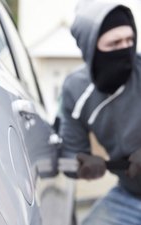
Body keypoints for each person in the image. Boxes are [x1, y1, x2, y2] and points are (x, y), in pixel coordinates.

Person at [59, 1, 141, 224]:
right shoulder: (76, 91)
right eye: (115, 43)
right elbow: (69, 154)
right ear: (91, 46)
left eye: (129, 40)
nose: (125, 49)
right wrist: (82, 166)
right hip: (130, 196)